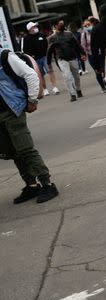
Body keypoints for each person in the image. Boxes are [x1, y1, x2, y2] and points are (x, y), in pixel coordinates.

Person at [0, 50, 59, 204]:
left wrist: (32, 99)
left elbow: (30, 74)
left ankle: (47, 184)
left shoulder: (5, 56)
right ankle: (31, 185)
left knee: (25, 149)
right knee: (13, 152)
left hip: (12, 110)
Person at [46, 20, 85, 102]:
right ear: (55, 26)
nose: (62, 25)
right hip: (62, 59)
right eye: (60, 24)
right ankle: (72, 94)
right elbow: (49, 51)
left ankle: (78, 90)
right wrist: (49, 63)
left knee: (76, 76)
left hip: (72, 57)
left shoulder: (69, 34)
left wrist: (83, 53)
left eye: (62, 23)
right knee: (67, 76)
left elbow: (77, 44)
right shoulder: (52, 38)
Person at [21, 22, 58, 96]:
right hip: (35, 59)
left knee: (50, 71)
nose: (35, 28)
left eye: (35, 26)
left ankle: (55, 87)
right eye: (33, 27)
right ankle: (45, 89)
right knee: (40, 74)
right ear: (29, 29)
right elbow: (24, 50)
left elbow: (47, 45)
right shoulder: (26, 39)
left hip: (45, 57)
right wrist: (31, 56)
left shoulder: (41, 35)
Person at [82, 18, 106, 93]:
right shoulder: (84, 34)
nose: (87, 26)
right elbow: (83, 45)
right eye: (85, 25)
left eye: (88, 25)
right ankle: (103, 87)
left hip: (101, 54)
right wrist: (85, 54)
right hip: (92, 55)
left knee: (104, 69)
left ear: (91, 24)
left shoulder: (97, 31)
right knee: (97, 71)